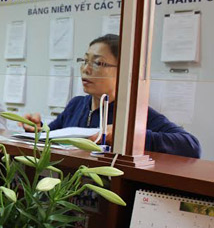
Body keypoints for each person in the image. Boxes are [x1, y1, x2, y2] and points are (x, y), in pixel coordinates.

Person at [23, 34, 201, 158]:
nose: (86, 69)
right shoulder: (76, 105)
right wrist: (37, 129)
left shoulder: (134, 113)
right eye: (85, 61)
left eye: (98, 63)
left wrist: (130, 136)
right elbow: (53, 135)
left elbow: (191, 146)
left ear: (122, 71)